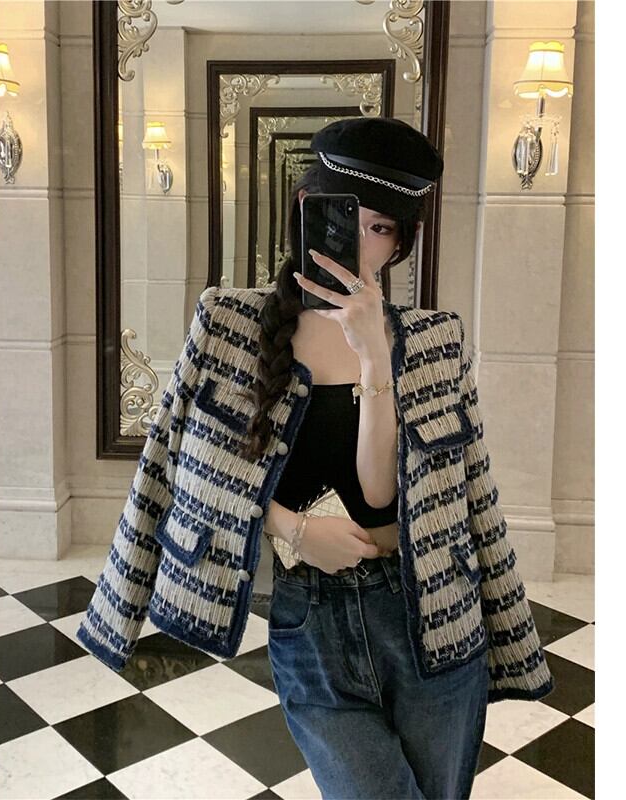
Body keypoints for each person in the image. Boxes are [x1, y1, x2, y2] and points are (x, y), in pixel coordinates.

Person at [246, 117, 486, 799]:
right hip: (310, 617)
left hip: (428, 608)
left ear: (401, 241)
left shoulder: (435, 339)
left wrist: (374, 356)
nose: (360, 240)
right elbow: (198, 472)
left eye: (381, 227)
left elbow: (384, 493)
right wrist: (293, 529)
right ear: (305, 208)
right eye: (345, 216)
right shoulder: (230, 326)